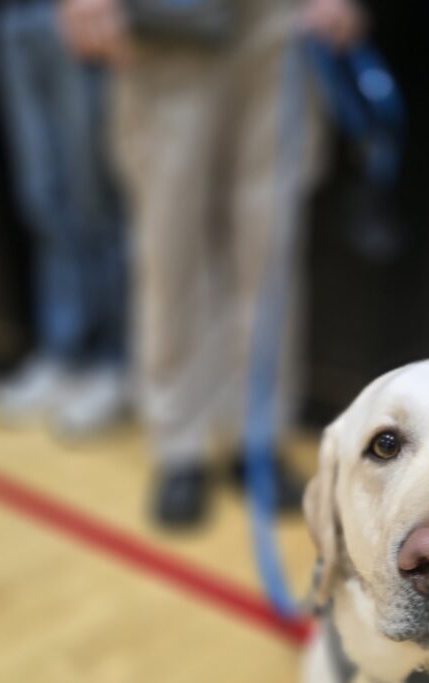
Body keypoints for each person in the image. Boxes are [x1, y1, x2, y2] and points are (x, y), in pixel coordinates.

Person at [61, 0, 366, 526]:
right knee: (169, 243)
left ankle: (258, 438)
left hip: (279, 21)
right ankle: (180, 446)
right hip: (166, 23)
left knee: (270, 242)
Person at [0, 0, 128, 437]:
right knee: (43, 198)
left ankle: (113, 363)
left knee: (95, 200)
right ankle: (65, 352)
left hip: (78, 14)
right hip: (13, 14)